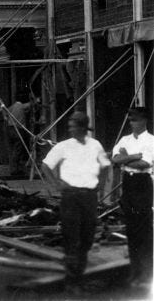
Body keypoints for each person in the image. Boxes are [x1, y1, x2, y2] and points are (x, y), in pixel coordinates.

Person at [41, 111, 111, 294]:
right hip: (70, 197)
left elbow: (105, 165)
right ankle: (72, 282)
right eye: (70, 125)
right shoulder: (63, 146)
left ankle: (78, 277)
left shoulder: (95, 145)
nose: (71, 129)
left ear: (82, 127)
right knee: (72, 237)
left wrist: (100, 185)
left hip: (89, 197)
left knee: (87, 237)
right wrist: (56, 184)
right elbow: (46, 166)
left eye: (74, 125)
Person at [111, 106, 154, 289]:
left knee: (144, 229)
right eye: (130, 120)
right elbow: (114, 159)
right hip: (128, 184)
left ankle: (146, 274)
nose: (131, 123)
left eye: (134, 119)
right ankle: (135, 272)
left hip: (142, 184)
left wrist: (126, 158)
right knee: (131, 229)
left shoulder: (151, 141)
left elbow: (145, 163)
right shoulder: (125, 139)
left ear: (144, 120)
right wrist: (133, 157)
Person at [6, 92, 31, 178]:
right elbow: (30, 105)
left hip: (10, 129)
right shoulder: (22, 106)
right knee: (17, 150)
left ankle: (13, 168)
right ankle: (15, 170)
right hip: (17, 130)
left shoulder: (13, 106)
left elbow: (5, 112)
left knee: (12, 150)